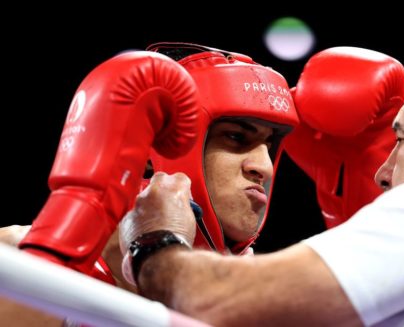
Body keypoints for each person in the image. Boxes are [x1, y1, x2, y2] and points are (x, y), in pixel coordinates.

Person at [119, 54, 404, 326]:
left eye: (400, 138)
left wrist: (154, 240)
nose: (383, 174)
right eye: (236, 139)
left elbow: (221, 303)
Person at [0, 42, 299, 326]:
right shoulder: (11, 254)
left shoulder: (266, 298)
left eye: (269, 148)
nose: (264, 167)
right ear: (150, 153)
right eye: (235, 137)